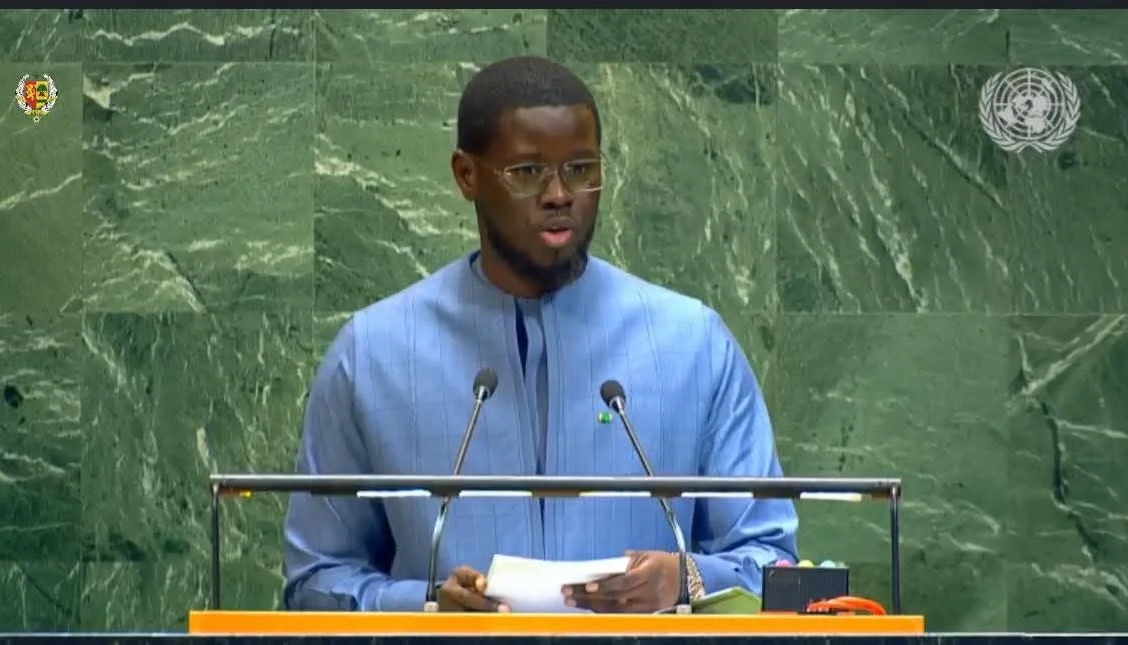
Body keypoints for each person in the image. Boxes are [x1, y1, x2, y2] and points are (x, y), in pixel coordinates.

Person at [283, 55, 798, 614]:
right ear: (466, 175)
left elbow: (775, 564)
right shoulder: (373, 355)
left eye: (581, 169)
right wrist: (428, 606)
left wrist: (684, 579)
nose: (559, 194)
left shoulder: (694, 345)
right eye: (528, 172)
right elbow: (314, 581)